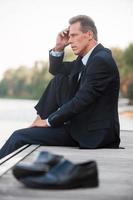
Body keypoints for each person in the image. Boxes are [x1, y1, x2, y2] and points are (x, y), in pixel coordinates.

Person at [0, 15, 120, 159]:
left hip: (92, 133)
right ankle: (37, 120)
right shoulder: (86, 59)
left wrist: (49, 121)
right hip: (78, 126)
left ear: (89, 35)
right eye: (69, 37)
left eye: (74, 35)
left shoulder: (101, 61)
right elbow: (57, 70)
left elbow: (81, 101)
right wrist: (58, 47)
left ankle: (39, 123)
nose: (70, 41)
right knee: (60, 78)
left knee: (19, 136)